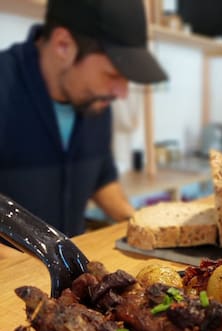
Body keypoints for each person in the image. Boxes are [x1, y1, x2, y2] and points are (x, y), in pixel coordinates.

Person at [0, 0, 167, 244]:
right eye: (112, 75)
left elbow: (101, 179)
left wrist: (140, 225)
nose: (121, 93)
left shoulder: (94, 99)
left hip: (70, 272)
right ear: (63, 45)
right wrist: (31, 265)